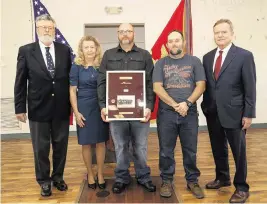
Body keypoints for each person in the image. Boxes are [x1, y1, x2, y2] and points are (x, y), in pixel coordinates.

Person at [14, 14, 72, 196]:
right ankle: (44, 181)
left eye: (50, 27)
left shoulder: (64, 50)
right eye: (43, 27)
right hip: (38, 108)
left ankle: (58, 178)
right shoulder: (26, 50)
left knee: (60, 146)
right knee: (40, 148)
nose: (47, 31)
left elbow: (70, 79)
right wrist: (19, 107)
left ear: (54, 29)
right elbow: (20, 81)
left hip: (61, 108)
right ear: (37, 29)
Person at [201, 19, 256, 203]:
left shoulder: (244, 56)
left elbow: (250, 87)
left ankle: (241, 187)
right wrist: (205, 106)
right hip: (213, 111)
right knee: (218, 148)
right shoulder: (207, 57)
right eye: (217, 32)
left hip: (236, 113)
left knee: (238, 152)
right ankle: (222, 177)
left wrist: (248, 113)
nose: (220, 35)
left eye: (224, 32)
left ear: (232, 34)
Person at [97, 23, 156, 194]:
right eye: (122, 31)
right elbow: (102, 82)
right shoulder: (108, 55)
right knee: (121, 146)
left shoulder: (145, 55)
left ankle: (143, 177)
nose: (125, 34)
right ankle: (122, 178)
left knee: (140, 146)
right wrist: (103, 106)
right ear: (118, 34)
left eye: (128, 31)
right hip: (116, 111)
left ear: (133, 34)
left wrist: (149, 107)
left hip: (139, 111)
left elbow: (150, 83)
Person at [153, 30, 206, 199]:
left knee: (190, 150)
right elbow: (157, 87)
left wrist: (187, 103)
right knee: (165, 151)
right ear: (167, 45)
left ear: (183, 43)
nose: (174, 44)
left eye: (177, 40)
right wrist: (175, 104)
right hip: (166, 113)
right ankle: (167, 181)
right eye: (170, 41)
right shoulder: (160, 63)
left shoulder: (194, 62)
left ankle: (192, 181)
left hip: (189, 113)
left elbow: (201, 85)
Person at [69, 36, 109, 190]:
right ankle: (90, 174)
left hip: (100, 107)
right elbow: (72, 91)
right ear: (82, 50)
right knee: (86, 143)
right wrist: (76, 112)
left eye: (92, 47)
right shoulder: (76, 67)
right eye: (86, 47)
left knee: (100, 142)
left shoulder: (102, 66)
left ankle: (100, 173)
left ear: (97, 48)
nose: (90, 50)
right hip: (83, 107)